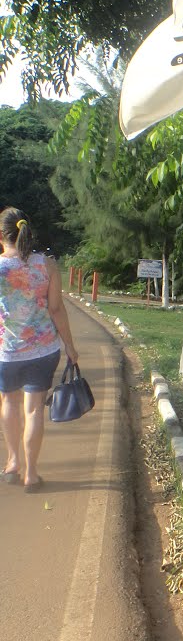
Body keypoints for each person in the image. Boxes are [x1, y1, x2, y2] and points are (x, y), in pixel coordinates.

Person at [0, 207, 78, 493]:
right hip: (44, 351)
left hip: (6, 352)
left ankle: (12, 463)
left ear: (0, 236)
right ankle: (31, 474)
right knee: (33, 411)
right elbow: (56, 309)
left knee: (8, 403)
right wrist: (70, 345)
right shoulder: (46, 265)